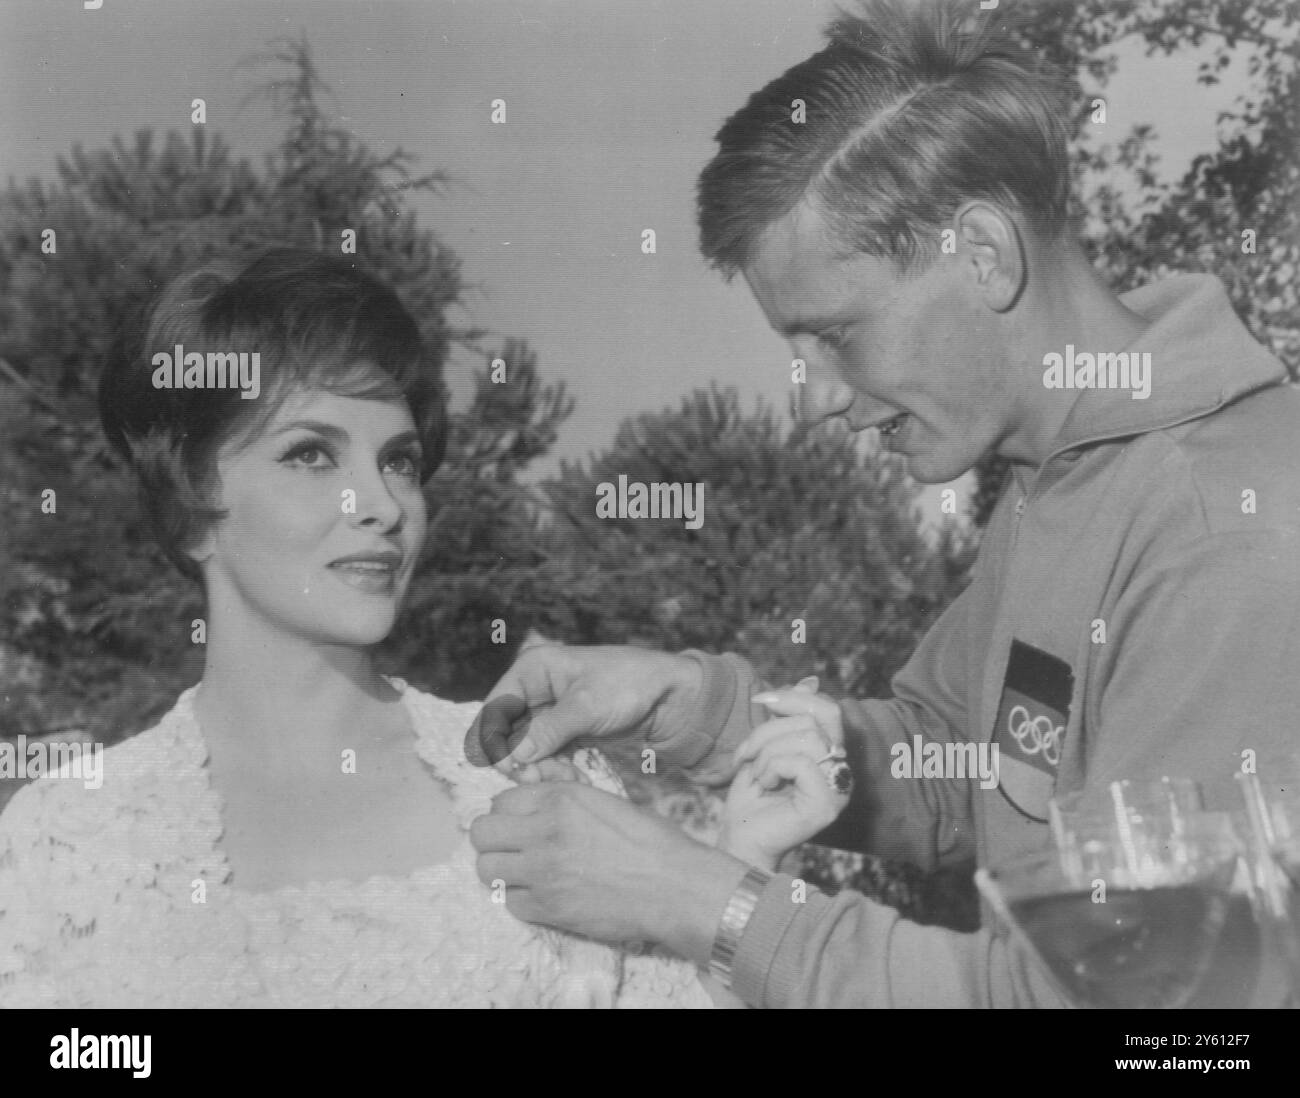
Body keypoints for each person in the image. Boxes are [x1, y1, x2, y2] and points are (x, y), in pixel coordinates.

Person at [467, 0, 1300, 1008]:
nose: (812, 399)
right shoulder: (1071, 474)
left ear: (983, 255)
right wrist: (698, 715)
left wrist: (698, 901)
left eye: (838, 336)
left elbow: (1145, 1019)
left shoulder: (1222, 529)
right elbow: (967, 769)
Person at [0, 247, 839, 1008]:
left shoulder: (534, 779)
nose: (381, 504)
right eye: (310, 455)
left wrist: (744, 864)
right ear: (191, 507)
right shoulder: (64, 840)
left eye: (398, 460)